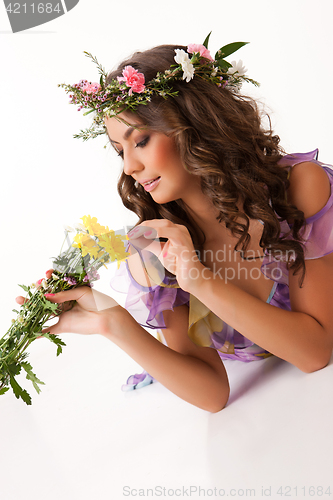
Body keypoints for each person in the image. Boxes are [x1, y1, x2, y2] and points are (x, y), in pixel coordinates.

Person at [17, 38, 333, 412]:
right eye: (120, 151)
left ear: (194, 124)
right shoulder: (156, 251)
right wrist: (113, 323)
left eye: (142, 141)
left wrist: (199, 279)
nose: (129, 168)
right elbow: (212, 396)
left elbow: (315, 354)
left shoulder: (297, 190)